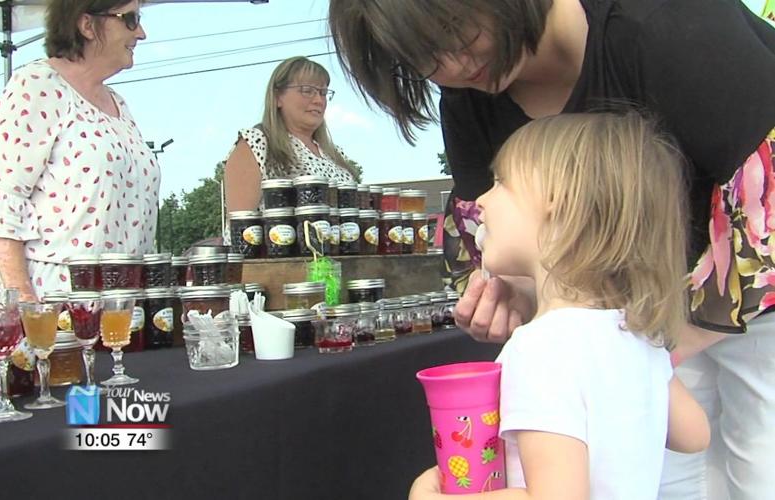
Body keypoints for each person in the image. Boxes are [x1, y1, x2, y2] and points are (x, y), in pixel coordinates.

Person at [328, 1, 775, 497]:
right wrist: (519, 292)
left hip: (739, 299)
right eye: (424, 58)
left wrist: (649, 334)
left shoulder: (664, 22)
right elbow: (691, 436)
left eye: (455, 30)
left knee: (761, 467)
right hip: (643, 314)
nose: (452, 66)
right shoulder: (468, 97)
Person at [409, 112, 709, 500]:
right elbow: (695, 434)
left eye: (500, 182)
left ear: (557, 199)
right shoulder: (636, 334)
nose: (481, 199)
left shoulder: (541, 346)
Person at [0, 0, 158, 302]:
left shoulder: (118, 104)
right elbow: (1, 205)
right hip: (52, 302)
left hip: (118, 303)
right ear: (87, 25)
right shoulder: (37, 85)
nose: (141, 33)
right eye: (130, 19)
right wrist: (26, 305)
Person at [223, 56, 358, 216]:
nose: (318, 100)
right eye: (307, 91)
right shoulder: (255, 143)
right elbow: (241, 224)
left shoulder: (335, 154)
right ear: (278, 97)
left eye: (323, 93)